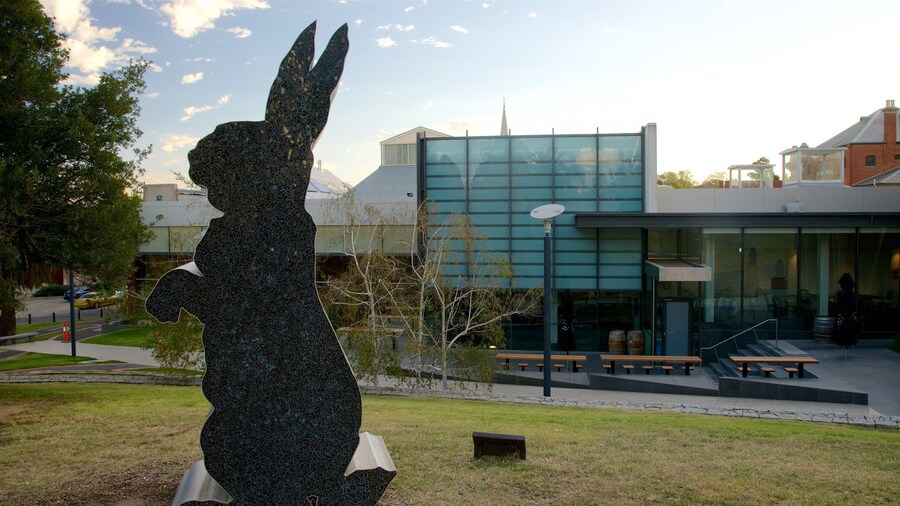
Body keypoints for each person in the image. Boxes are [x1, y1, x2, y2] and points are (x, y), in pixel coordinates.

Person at [833, 272, 858, 350]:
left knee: (845, 330)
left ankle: (845, 340)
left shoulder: (845, 295)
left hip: (845, 318)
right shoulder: (850, 295)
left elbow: (843, 307)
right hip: (848, 318)